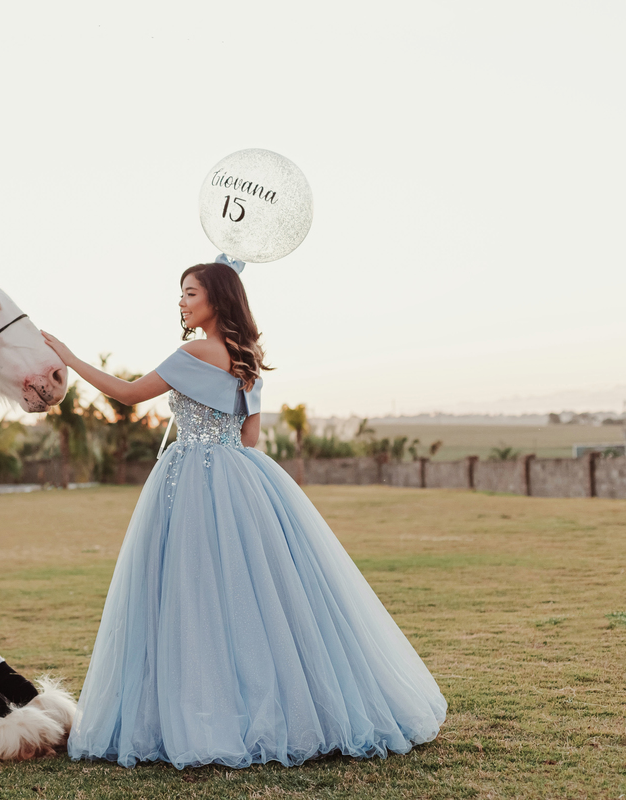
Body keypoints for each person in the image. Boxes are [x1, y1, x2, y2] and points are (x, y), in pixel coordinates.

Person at [40, 260, 446, 770]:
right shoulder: (248, 357)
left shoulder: (193, 352)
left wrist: (70, 357)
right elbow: (249, 437)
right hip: (244, 479)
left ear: (216, 298)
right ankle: (287, 710)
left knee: (192, 593)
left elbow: (124, 394)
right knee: (254, 596)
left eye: (189, 293)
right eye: (181, 294)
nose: (182, 303)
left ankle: (201, 713)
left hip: (191, 480)